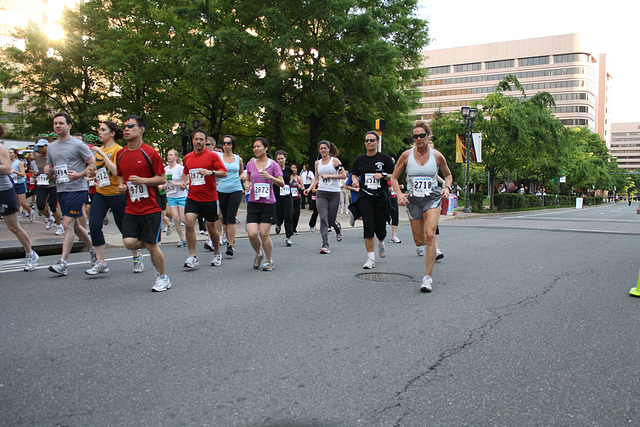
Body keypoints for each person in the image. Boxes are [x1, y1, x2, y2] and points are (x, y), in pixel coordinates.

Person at [391, 121, 452, 292]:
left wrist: (447, 187)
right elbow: (394, 178)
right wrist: (400, 194)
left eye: (421, 135)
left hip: (432, 197)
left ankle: (427, 278)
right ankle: (428, 245)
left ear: (428, 136)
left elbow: (448, 175)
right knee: (419, 240)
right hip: (414, 200)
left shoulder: (437, 156)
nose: (418, 139)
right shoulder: (406, 155)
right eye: (415, 136)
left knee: (430, 234)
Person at [116, 115, 171, 292]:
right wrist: (121, 186)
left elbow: (162, 179)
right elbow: (120, 175)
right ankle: (149, 241)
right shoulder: (121, 153)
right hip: (131, 207)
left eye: (130, 126)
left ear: (141, 129)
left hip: (151, 207)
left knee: (152, 245)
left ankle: (163, 278)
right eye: (124, 127)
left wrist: (143, 180)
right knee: (129, 242)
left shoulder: (150, 153)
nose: (126, 129)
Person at [85, 121, 140, 275]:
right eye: (99, 129)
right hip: (101, 193)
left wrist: (103, 155)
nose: (99, 132)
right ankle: (101, 262)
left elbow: (117, 172)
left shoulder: (119, 150)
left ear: (112, 133)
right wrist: (92, 174)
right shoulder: (99, 151)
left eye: (103, 130)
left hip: (117, 194)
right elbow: (102, 171)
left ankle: (136, 256)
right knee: (94, 225)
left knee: (124, 228)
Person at [44, 112, 96, 276]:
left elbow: (93, 165)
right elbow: (51, 169)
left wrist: (80, 175)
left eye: (60, 123)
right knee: (75, 226)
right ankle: (93, 249)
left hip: (77, 188)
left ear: (69, 125)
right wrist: (48, 170)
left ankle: (63, 263)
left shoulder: (78, 145)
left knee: (67, 224)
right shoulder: (51, 147)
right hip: (62, 189)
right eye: (55, 124)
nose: (57, 126)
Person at [180, 129, 227, 269]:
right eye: (196, 139)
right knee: (188, 223)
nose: (199, 142)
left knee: (211, 228)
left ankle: (217, 252)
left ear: (205, 141)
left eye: (201, 139)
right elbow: (185, 172)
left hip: (209, 198)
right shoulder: (188, 157)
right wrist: (183, 182)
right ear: (192, 141)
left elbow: (223, 172)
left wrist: (211, 172)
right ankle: (192, 256)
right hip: (193, 197)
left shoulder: (212, 156)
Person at [350, 131, 395, 269]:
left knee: (380, 228)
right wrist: (355, 182)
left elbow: (394, 175)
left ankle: (381, 242)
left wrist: (382, 175)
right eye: (366, 141)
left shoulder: (385, 158)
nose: (368, 143)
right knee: (368, 227)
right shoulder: (360, 159)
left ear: (377, 142)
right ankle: (370, 258)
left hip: (380, 196)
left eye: (371, 140)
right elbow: (354, 174)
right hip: (365, 196)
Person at [0, 124, 38, 271]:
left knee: (13, 226)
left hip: (4, 190)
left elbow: (7, 169)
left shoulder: (1, 149)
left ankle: (30, 254)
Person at [244, 137, 284, 271]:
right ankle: (259, 254)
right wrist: (247, 185)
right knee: (251, 234)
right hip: (253, 202)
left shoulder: (273, 165)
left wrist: (270, 177)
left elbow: (281, 183)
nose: (256, 149)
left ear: (266, 148)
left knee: (264, 234)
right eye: (254, 147)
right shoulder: (250, 164)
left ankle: (269, 260)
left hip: (268, 203)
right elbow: (248, 180)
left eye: (258, 146)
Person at [304, 140, 346, 254]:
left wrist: (330, 175)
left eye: (325, 148)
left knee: (331, 220)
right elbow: (316, 178)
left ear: (328, 149)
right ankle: (325, 245)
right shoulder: (317, 163)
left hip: (334, 193)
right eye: (321, 148)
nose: (323, 150)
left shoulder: (335, 161)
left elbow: (343, 175)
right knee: (323, 218)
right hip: (321, 193)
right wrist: (309, 188)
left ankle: (337, 227)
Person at [216, 135, 245, 256]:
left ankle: (230, 245)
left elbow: (242, 171)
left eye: (228, 143)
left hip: (236, 189)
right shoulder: (218, 158)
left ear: (233, 145)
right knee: (224, 217)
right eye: (224, 143)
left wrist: (243, 176)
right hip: (221, 189)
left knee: (231, 217)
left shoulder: (238, 159)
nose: (226, 145)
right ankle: (226, 237)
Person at [33, 139, 64, 234]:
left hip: (53, 184)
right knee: (40, 205)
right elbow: (41, 170)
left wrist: (52, 175)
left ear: (47, 147)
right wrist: (37, 174)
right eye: (39, 147)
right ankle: (49, 218)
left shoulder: (54, 157)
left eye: (42, 146)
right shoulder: (38, 158)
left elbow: (60, 170)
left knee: (53, 206)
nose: (40, 149)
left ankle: (59, 226)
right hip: (42, 183)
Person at [162, 149, 187, 247]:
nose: (169, 157)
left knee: (183, 219)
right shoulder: (165, 169)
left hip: (181, 195)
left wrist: (176, 184)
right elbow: (164, 182)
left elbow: (187, 181)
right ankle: (182, 239)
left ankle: (189, 234)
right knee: (175, 219)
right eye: (168, 155)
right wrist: (163, 186)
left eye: (171, 155)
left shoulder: (180, 168)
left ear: (176, 157)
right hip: (170, 195)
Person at [274, 150, 295, 247]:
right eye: (278, 159)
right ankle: (278, 224)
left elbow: (290, 179)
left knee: (288, 214)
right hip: (277, 194)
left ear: (285, 159)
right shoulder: (274, 169)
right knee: (279, 213)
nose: (280, 160)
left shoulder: (288, 170)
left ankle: (288, 237)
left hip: (287, 194)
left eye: (282, 158)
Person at [8, 147, 34, 221]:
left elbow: (23, 174)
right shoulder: (6, 162)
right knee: (13, 200)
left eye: (11, 153)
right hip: (11, 183)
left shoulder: (19, 162)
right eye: (8, 153)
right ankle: (16, 214)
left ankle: (30, 211)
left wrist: (14, 171)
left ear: (15, 154)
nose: (9, 154)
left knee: (22, 202)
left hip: (20, 183)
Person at [290, 164, 304, 234]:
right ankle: (290, 228)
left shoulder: (299, 178)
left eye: (295, 168)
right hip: (289, 197)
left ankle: (294, 228)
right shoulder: (288, 177)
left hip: (297, 197)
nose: (294, 169)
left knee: (297, 213)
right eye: (292, 168)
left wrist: (299, 186)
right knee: (291, 213)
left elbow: (303, 187)